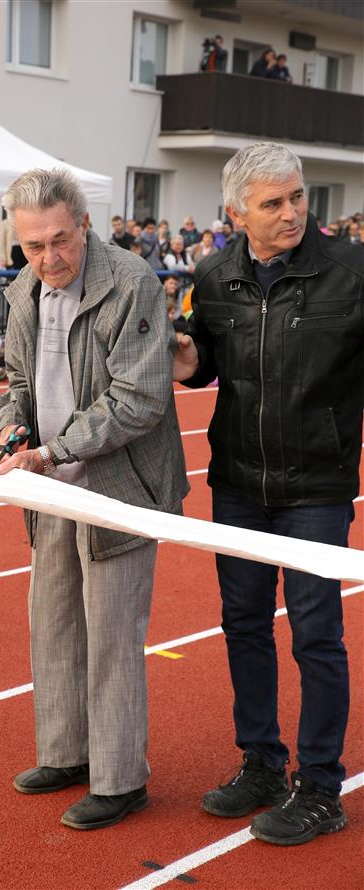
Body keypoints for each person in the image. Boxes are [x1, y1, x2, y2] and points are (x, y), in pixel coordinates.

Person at [174, 142, 363, 846]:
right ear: (235, 213)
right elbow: (200, 366)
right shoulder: (214, 275)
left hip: (316, 484)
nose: (290, 213)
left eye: (296, 197)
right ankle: (260, 763)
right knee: (244, 624)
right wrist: (176, 353)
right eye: (272, 203)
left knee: (315, 636)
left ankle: (319, 788)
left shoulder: (350, 272)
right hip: (239, 483)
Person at [0, 168, 188, 831]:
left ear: (82, 224)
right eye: (32, 246)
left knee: (109, 640)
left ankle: (119, 778)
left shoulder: (130, 281)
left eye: (59, 240)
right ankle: (66, 752)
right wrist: (12, 425)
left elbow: (138, 399)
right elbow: (15, 379)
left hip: (119, 489)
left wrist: (53, 450)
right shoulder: (22, 290)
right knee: (52, 627)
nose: (49, 259)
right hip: (49, 485)